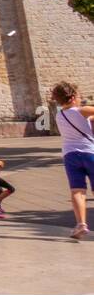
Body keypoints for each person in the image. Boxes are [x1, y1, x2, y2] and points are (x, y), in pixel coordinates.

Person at [52, 81, 94, 240]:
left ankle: (81, 224)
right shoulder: (82, 110)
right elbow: (84, 114)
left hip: (70, 155)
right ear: (74, 97)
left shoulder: (59, 115)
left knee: (77, 191)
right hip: (89, 153)